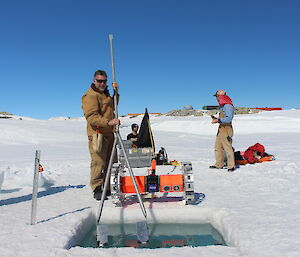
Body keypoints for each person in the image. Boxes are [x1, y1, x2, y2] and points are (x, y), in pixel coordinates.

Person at [81, 70, 120, 200]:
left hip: (110, 133)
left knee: (112, 162)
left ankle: (109, 186)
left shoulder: (105, 94)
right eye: (99, 81)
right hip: (98, 134)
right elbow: (91, 117)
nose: (102, 83)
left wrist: (116, 93)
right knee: (99, 162)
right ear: (94, 80)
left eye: (104, 81)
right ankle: (97, 188)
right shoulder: (90, 96)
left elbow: (113, 106)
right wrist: (108, 122)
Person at [210, 89, 235, 172]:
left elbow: (228, 119)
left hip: (227, 128)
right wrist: (217, 119)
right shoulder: (222, 105)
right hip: (221, 128)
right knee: (218, 147)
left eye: (217, 96)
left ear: (221, 96)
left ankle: (231, 166)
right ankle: (219, 164)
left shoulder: (228, 105)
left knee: (227, 147)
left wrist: (218, 120)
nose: (216, 98)